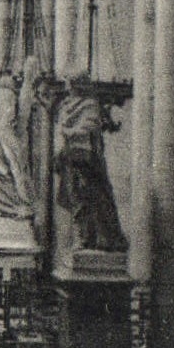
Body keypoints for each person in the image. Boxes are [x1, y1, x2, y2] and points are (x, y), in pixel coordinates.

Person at [55, 80, 128, 251]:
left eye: (70, 84)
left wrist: (68, 131)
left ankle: (96, 239)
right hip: (70, 159)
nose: (67, 88)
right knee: (75, 198)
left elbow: (86, 128)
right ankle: (84, 237)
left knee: (90, 199)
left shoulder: (90, 105)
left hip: (87, 163)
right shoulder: (67, 105)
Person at [0, 60, 35, 218]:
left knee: (15, 171)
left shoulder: (12, 96)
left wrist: (29, 75)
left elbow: (24, 105)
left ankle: (22, 205)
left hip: (8, 139)